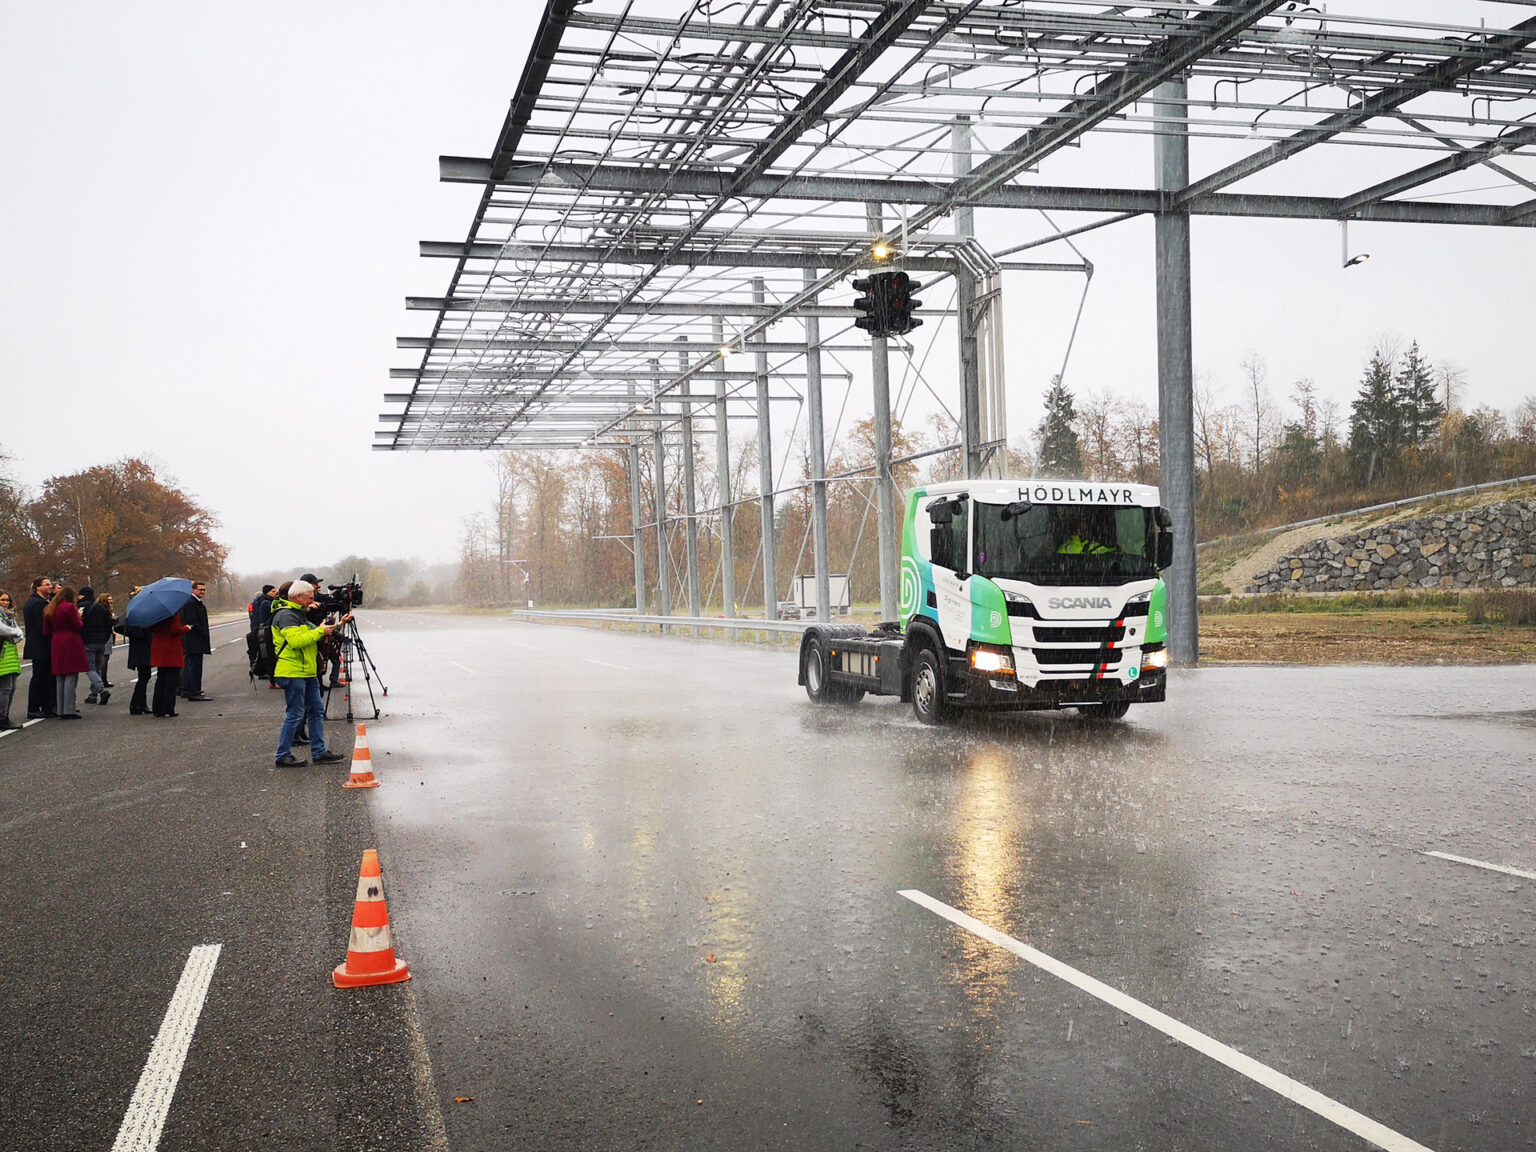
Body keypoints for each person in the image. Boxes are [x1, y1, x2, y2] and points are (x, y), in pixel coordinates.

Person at [271, 579, 348, 768]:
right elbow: (298, 641)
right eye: (310, 598)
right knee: (295, 714)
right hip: (292, 671)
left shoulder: (298, 614)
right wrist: (320, 631)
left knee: (316, 710)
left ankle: (319, 752)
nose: (313, 602)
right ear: (298, 597)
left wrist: (337, 625)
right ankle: (282, 755)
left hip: (306, 671)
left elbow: (317, 632)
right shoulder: (285, 615)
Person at [44, 585, 88, 720]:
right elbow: (77, 625)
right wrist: (80, 617)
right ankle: (69, 709)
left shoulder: (50, 608)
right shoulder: (69, 607)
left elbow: (46, 630)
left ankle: (61, 708)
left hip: (56, 641)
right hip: (70, 640)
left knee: (60, 676)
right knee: (71, 675)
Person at [22, 577, 56, 719]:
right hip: (40, 646)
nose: (50, 586)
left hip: (42, 645)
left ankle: (46, 706)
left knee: (45, 678)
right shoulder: (37, 603)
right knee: (39, 678)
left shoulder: (43, 602)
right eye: (46, 584)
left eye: (50, 584)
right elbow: (42, 626)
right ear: (37, 587)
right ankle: (34, 708)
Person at [149, 610, 189, 718]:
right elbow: (174, 629)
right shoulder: (173, 613)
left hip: (159, 647)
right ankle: (169, 708)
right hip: (171, 649)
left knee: (161, 679)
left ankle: (157, 708)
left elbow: (151, 628)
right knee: (171, 681)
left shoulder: (155, 613)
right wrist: (186, 628)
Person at [79, 586, 115, 705]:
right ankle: (93, 694)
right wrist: (104, 639)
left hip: (87, 640)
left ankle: (101, 690)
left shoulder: (80, 607)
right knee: (97, 667)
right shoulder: (101, 608)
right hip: (101, 641)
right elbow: (108, 625)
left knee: (90, 668)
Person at [180, 580, 213, 701]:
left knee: (193, 665)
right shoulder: (191, 603)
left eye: (204, 590)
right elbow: (193, 622)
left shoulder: (196, 603)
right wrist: (203, 633)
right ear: (193, 590)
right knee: (193, 666)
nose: (202, 592)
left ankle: (192, 689)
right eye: (200, 590)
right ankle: (193, 691)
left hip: (195, 640)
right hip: (193, 640)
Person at [0, 590, 23, 729]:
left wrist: (17, 633)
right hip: (2, 653)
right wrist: (17, 632)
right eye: (2, 600)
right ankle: (2, 718)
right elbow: (4, 630)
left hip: (10, 652)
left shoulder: (10, 615)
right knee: (6, 688)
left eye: (7, 600)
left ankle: (5, 716)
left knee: (11, 688)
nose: (5, 603)